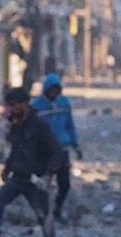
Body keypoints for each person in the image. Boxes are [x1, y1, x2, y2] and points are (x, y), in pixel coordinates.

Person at [0, 88, 65, 237]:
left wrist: (49, 173)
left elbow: (57, 151)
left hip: (35, 180)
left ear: (25, 104)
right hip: (17, 177)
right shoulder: (15, 124)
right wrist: (7, 169)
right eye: (10, 105)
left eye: (14, 105)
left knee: (43, 216)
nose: (12, 109)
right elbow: (14, 149)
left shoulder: (39, 126)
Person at [31, 73, 82, 224]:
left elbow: (70, 126)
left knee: (64, 184)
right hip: (44, 151)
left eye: (56, 90)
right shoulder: (37, 106)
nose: (53, 93)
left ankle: (57, 209)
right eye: (51, 90)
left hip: (62, 150)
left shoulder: (64, 104)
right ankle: (43, 213)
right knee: (43, 182)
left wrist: (76, 145)